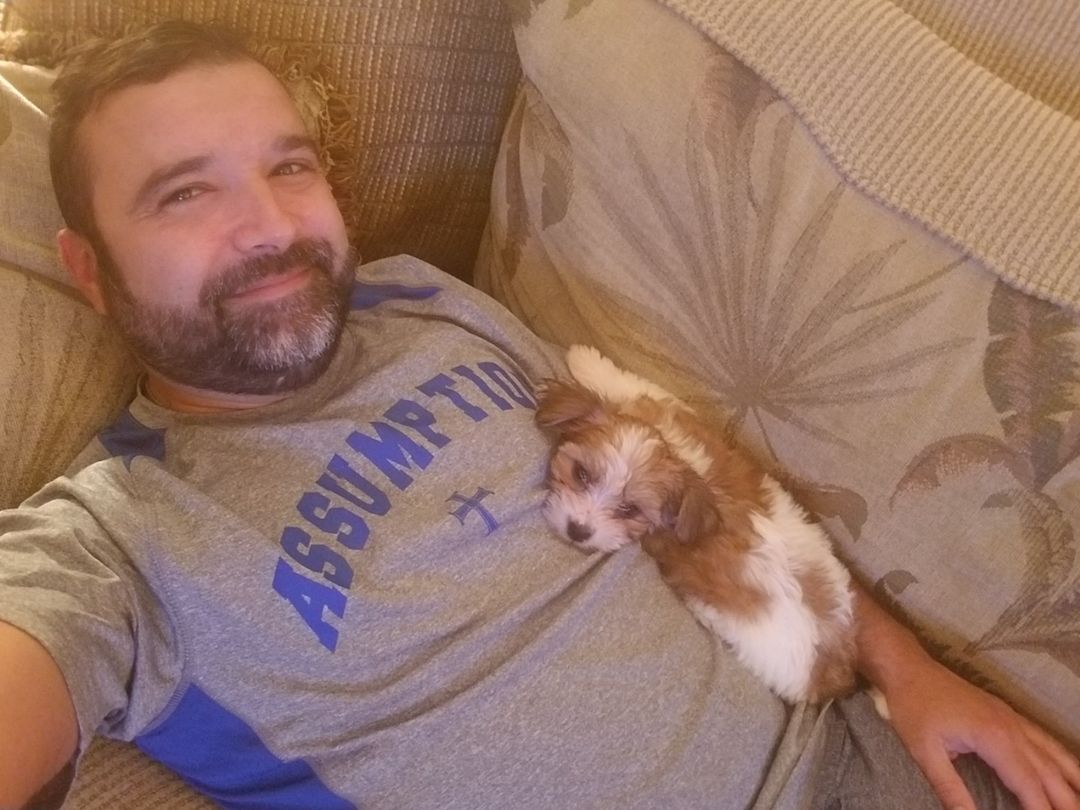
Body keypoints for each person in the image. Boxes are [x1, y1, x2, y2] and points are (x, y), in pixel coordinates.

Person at [0, 19, 1076, 810]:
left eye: (291, 165)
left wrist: (908, 669)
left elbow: (681, 459)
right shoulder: (118, 544)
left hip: (862, 754)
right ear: (89, 272)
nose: (272, 226)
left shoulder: (418, 299)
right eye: (186, 193)